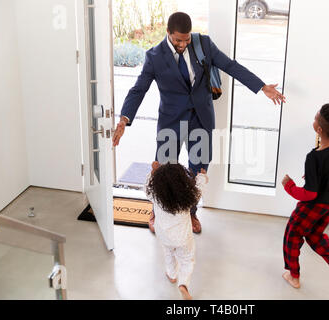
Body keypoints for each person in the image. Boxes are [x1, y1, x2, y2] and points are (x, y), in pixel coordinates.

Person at [113, 12, 286, 234]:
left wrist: (262, 87)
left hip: (200, 118)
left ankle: (191, 212)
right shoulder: (154, 56)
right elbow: (139, 89)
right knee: (164, 169)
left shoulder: (203, 43)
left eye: (186, 39)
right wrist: (124, 119)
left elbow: (230, 66)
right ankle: (157, 210)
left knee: (198, 169)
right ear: (168, 33)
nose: (184, 44)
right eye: (178, 40)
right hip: (171, 120)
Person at [281, 103, 329, 289]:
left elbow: (309, 194)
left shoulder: (313, 157)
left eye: (315, 118)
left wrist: (289, 186)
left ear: (319, 129)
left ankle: (293, 275)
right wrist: (320, 177)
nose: (313, 120)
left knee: (292, 235)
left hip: (313, 205)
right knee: (314, 234)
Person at [145, 161, 208, 300]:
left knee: (168, 253)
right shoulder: (187, 199)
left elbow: (146, 188)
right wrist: (202, 176)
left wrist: (153, 171)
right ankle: (183, 284)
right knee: (187, 260)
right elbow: (199, 187)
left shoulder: (155, 196)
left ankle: (172, 274)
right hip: (183, 238)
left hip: (163, 235)